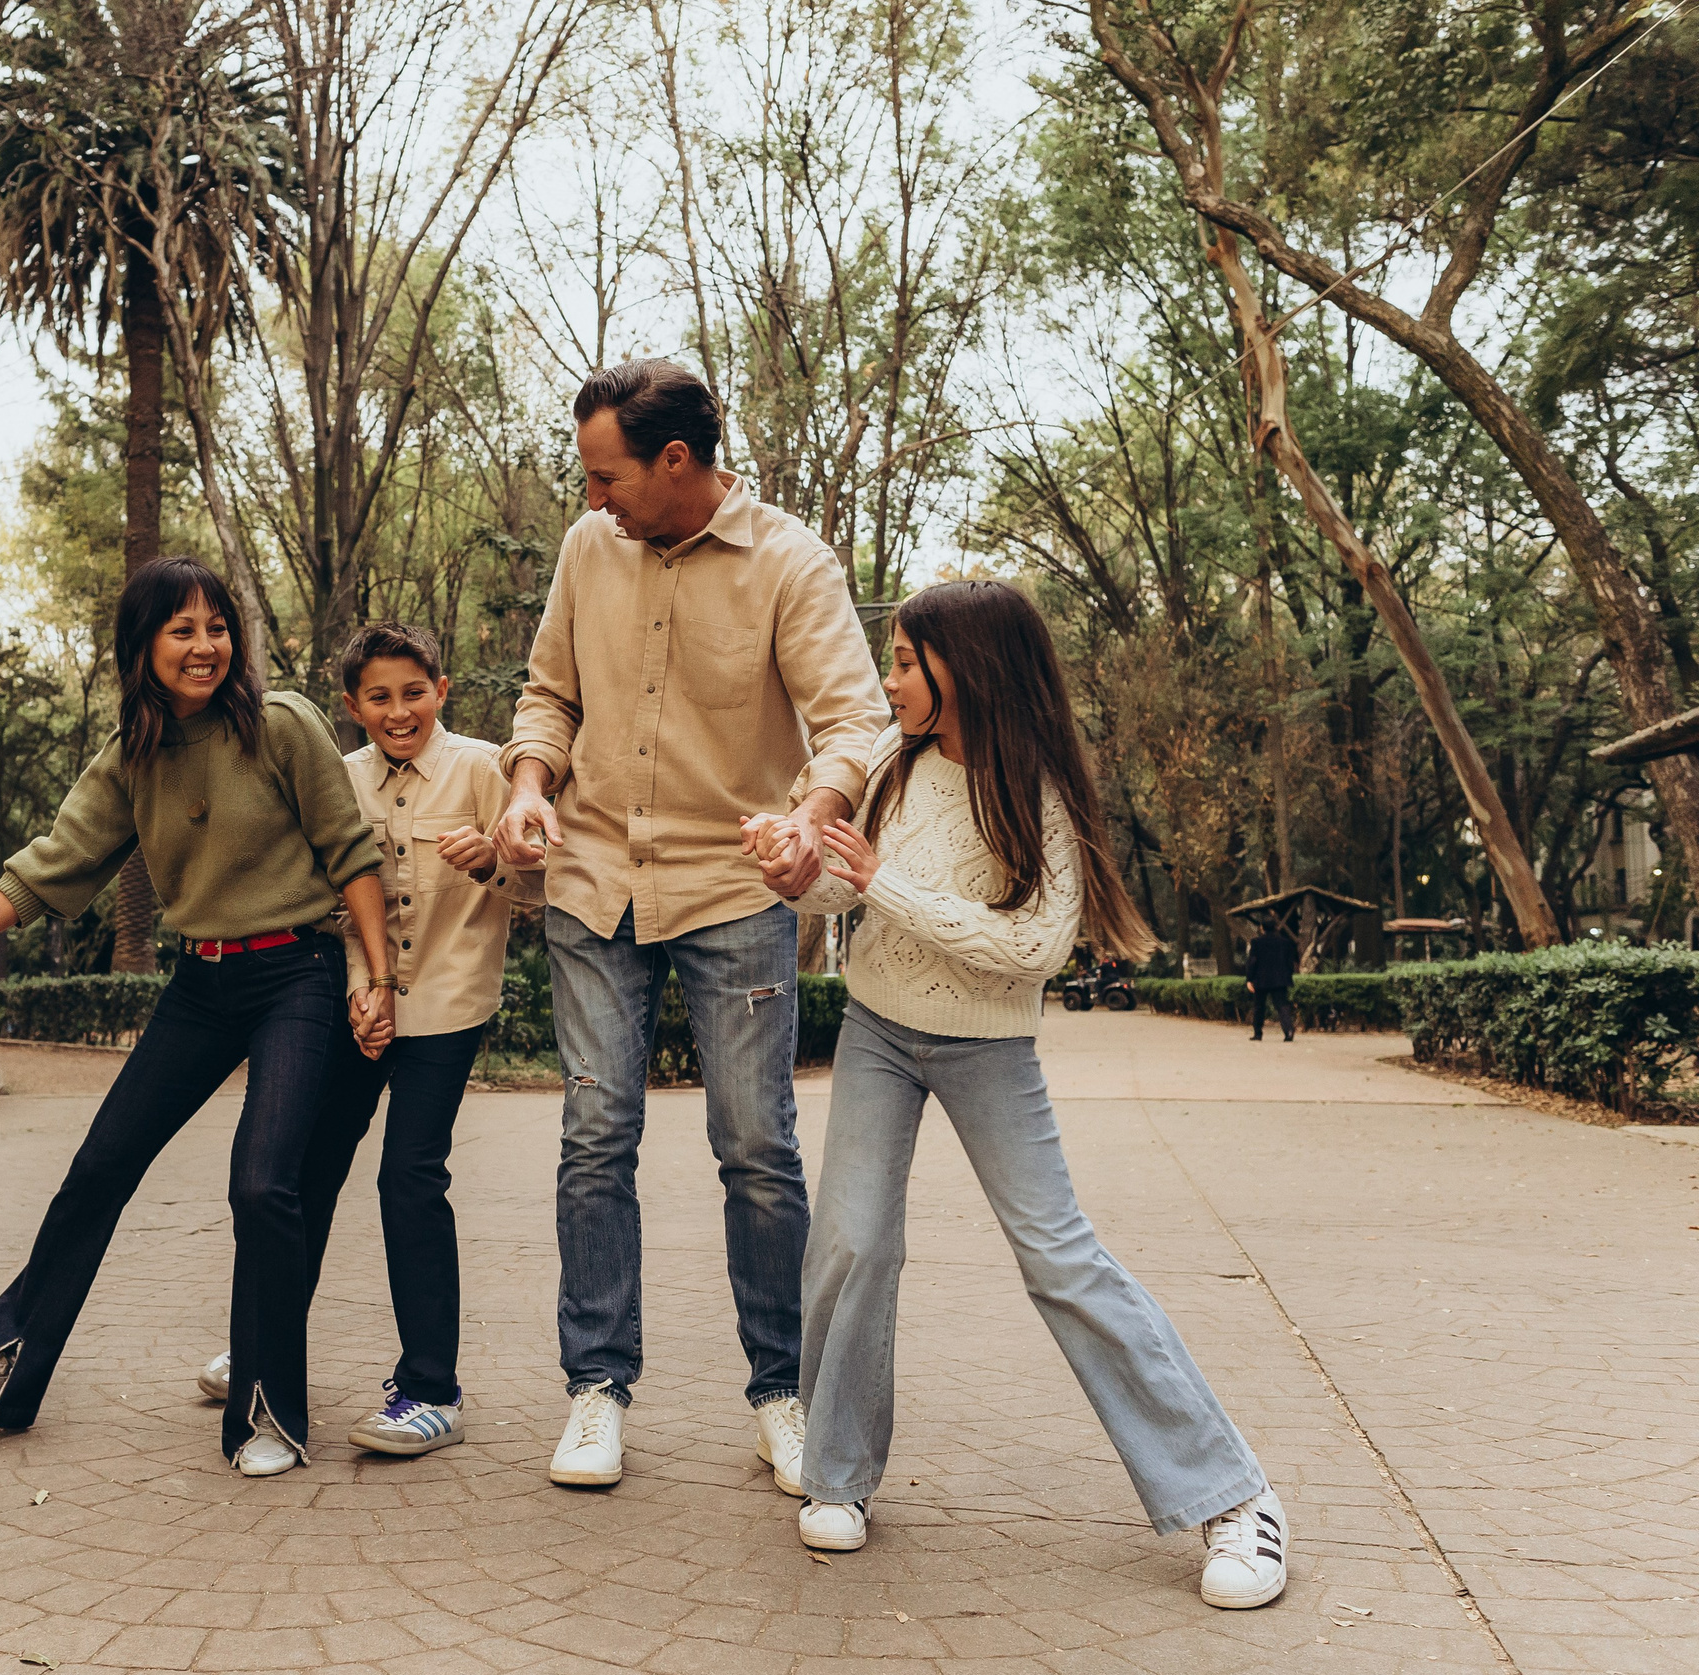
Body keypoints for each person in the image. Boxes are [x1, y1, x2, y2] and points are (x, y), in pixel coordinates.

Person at [782, 579, 1289, 1610]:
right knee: (850, 1238)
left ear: (962, 670)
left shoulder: (1037, 795)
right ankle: (835, 1473)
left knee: (1059, 1257)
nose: (889, 680)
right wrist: (794, 870)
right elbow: (846, 888)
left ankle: (1234, 1497)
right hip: (876, 1029)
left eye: (906, 662)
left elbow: (1033, 948)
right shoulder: (891, 759)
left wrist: (878, 882)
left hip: (987, 1046)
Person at [0, 556, 394, 1478]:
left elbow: (351, 852)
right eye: (181, 631)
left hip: (298, 977)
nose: (205, 647)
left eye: (216, 628)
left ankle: (270, 1411)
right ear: (143, 647)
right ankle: (0, 1366)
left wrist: (377, 978)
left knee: (262, 1185)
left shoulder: (281, 725)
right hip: (202, 984)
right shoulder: (131, 756)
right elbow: (45, 870)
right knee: (98, 1167)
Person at [495, 357, 891, 1493]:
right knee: (592, 1135)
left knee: (756, 1146)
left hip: (730, 892)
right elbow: (547, 694)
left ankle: (783, 1394)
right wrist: (528, 783)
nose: (592, 498)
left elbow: (852, 720)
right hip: (592, 881)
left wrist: (811, 817)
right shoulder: (588, 550)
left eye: (606, 475)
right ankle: (595, 1391)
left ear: (676, 460)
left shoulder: (788, 562)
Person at [199, 621, 540, 1455]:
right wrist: (363, 988)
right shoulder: (336, 776)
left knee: (408, 1178)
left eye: (414, 693)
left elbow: (545, 886)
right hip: (355, 1007)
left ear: (442, 691)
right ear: (351, 708)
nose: (399, 711)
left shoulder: (487, 769)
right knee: (306, 1174)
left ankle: (431, 1389)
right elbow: (326, 893)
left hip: (449, 1009)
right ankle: (265, 1350)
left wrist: (491, 864)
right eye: (379, 698)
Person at [1244, 923, 1298, 1042]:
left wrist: (1249, 979)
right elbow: (1290, 962)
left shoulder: (1256, 942)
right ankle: (1288, 1030)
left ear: (1262, 928)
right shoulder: (1285, 942)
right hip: (1280, 979)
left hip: (1261, 978)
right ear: (1275, 928)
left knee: (1259, 1006)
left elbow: (1252, 961)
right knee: (1282, 1005)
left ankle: (1258, 1033)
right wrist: (1287, 975)